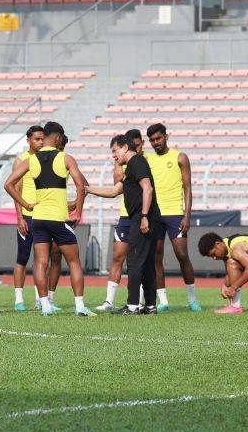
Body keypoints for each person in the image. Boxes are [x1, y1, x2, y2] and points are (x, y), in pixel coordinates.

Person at [4, 121, 95, 317]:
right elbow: (82, 186)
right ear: (58, 137)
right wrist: (77, 212)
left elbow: (8, 184)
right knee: (74, 262)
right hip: (58, 218)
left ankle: (45, 305)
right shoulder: (65, 158)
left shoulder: (31, 160)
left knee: (40, 262)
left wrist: (26, 204)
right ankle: (80, 306)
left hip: (38, 218)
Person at [85, 135, 163, 315]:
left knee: (135, 261)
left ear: (125, 148)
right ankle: (150, 305)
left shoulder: (137, 162)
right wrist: (88, 190)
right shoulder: (132, 167)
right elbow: (114, 192)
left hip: (142, 217)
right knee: (147, 262)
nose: (113, 156)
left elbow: (148, 188)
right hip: (145, 217)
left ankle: (132, 305)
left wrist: (144, 216)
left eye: (114, 150)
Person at [146, 123, 201, 312]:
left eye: (158, 138)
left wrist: (187, 216)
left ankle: (192, 300)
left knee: (182, 255)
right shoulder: (148, 160)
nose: (155, 143)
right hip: (155, 215)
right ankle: (163, 301)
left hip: (175, 214)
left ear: (166, 137)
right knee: (156, 257)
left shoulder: (180, 157)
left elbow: (188, 188)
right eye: (152, 140)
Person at [95, 128, 144, 311]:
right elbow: (117, 183)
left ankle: (137, 301)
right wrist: (118, 161)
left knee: (138, 259)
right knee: (118, 257)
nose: (135, 148)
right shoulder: (124, 162)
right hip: (126, 214)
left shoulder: (143, 162)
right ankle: (109, 301)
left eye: (138, 145)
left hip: (140, 215)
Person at [12, 125, 44, 311]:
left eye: (42, 139)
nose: (40, 142)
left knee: (41, 259)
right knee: (22, 257)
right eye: (36, 139)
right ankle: (18, 300)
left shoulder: (45, 159)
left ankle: (40, 298)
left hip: (43, 216)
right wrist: (19, 217)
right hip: (27, 216)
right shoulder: (21, 161)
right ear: (28, 141)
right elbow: (16, 190)